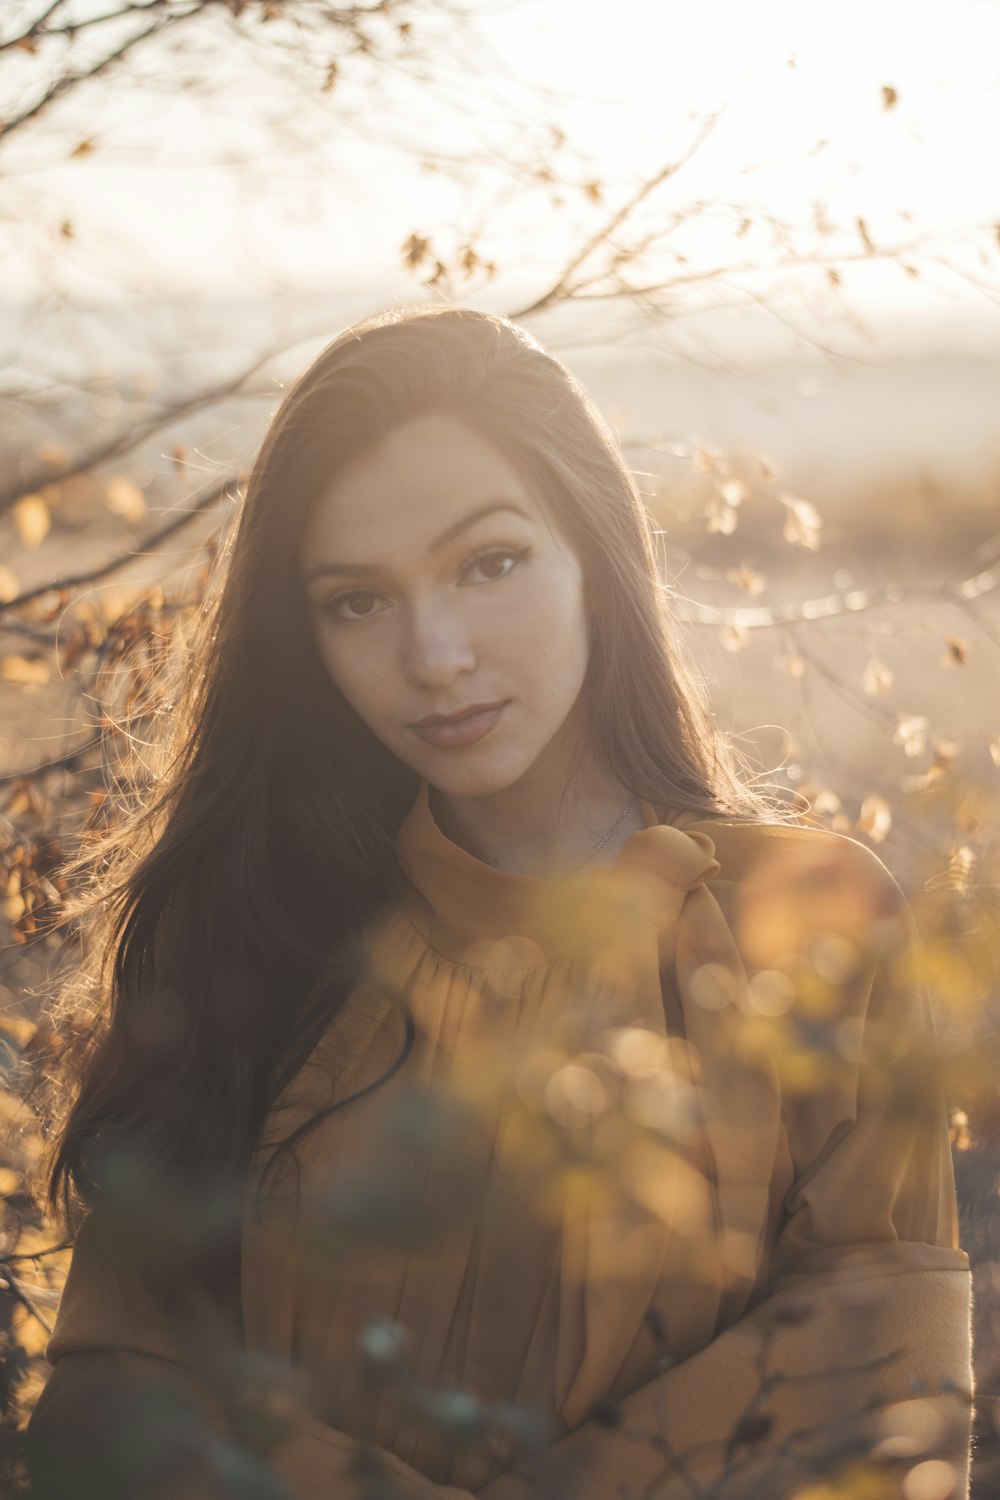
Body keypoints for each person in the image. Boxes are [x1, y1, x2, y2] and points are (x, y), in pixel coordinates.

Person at [26, 305, 972, 1500]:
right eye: (357, 601)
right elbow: (112, 1406)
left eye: (490, 564)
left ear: (595, 552)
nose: (435, 656)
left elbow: (880, 1391)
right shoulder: (252, 935)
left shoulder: (806, 914)